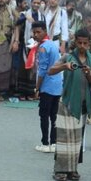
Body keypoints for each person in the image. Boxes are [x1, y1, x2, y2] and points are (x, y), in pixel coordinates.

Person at [49, 28, 91, 181]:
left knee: (77, 139)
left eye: (85, 43)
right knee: (64, 137)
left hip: (83, 103)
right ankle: (60, 170)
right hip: (67, 102)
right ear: (75, 42)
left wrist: (89, 73)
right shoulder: (67, 57)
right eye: (79, 42)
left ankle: (72, 169)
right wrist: (64, 66)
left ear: (89, 44)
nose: (82, 45)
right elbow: (51, 71)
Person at [33, 20, 62, 153]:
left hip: (47, 86)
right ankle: (54, 142)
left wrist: (37, 87)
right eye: (34, 32)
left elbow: (42, 70)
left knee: (44, 115)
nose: (36, 35)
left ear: (45, 32)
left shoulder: (43, 47)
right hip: (57, 86)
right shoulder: (52, 45)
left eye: (38, 32)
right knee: (54, 115)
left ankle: (45, 143)